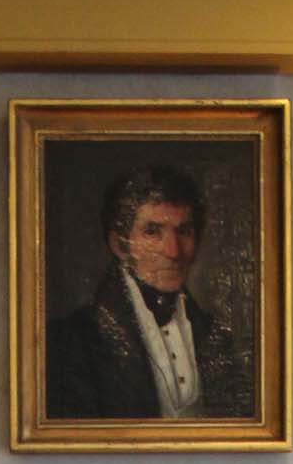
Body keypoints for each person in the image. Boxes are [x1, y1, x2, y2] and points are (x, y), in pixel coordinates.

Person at [45, 165, 252, 421]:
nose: (173, 251)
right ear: (120, 246)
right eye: (152, 232)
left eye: (184, 231)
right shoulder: (73, 341)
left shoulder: (215, 334)